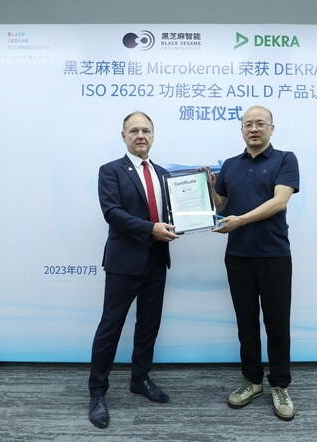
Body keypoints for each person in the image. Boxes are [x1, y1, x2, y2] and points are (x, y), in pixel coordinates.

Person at [88, 111, 180, 428]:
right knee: (110, 327)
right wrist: (151, 228)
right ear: (124, 136)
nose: (141, 135)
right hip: (124, 262)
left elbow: (174, 213)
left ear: (153, 136)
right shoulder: (111, 171)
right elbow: (112, 212)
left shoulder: (164, 174)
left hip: (157, 260)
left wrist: (197, 205)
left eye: (146, 130)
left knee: (149, 325)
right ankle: (97, 393)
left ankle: (140, 379)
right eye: (134, 130)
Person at [210, 105, 300, 421]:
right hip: (238, 256)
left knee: (277, 323)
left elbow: (279, 201)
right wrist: (209, 186)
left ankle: (279, 384)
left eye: (260, 123)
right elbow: (222, 205)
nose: (254, 129)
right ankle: (252, 381)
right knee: (246, 323)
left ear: (272, 128)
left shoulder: (285, 159)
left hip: (274, 255)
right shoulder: (230, 165)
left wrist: (242, 221)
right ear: (241, 130)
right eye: (248, 124)